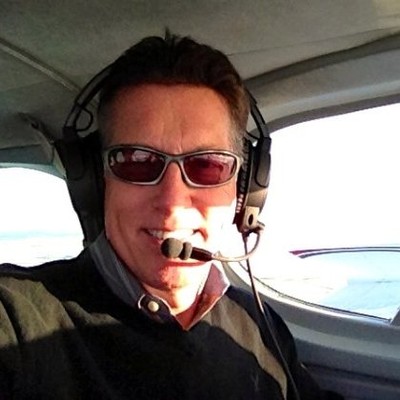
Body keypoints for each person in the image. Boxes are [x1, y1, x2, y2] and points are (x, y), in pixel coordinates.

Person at [0, 32, 343, 400]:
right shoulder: (18, 321)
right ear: (97, 183)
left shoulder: (258, 324)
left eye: (207, 165)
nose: (172, 202)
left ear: (243, 191)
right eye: (137, 161)